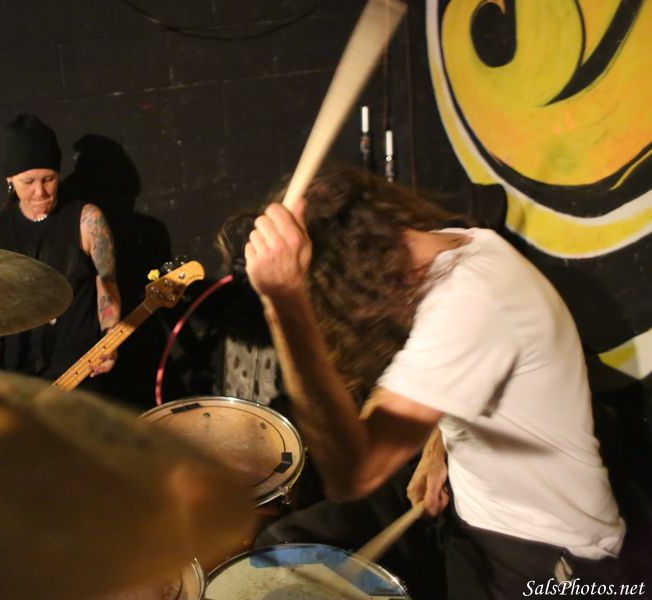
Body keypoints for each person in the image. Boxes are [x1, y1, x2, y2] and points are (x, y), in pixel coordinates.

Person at [243, 166, 625, 600]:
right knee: (284, 550)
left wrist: (285, 303)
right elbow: (465, 369)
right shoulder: (452, 247)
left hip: (550, 556)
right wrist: (436, 447)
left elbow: (356, 473)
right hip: (478, 514)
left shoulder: (471, 300)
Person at [0, 114, 120, 383]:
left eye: (48, 179)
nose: (40, 192)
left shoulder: (87, 220)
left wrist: (110, 342)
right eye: (28, 182)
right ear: (10, 180)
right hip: (20, 373)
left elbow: (107, 285)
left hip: (80, 367)